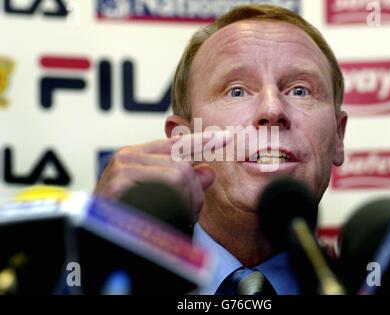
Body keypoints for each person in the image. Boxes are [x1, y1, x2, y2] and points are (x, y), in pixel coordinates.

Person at [94, 4, 348, 295]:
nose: (273, 109)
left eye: (300, 90)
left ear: (339, 136)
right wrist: (92, 247)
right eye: (237, 91)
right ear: (183, 140)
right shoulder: (109, 281)